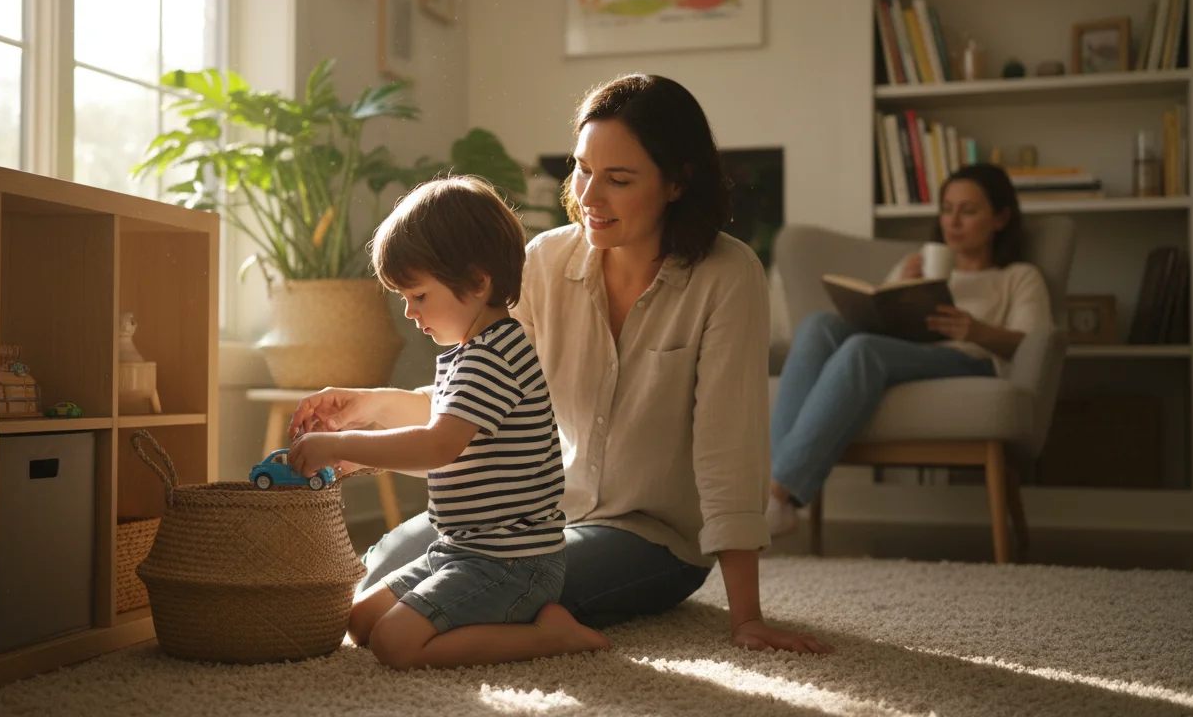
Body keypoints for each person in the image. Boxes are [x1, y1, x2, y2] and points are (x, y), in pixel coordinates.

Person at [292, 74, 832, 656]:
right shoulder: (546, 259)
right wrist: (367, 406)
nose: (591, 196)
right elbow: (482, 401)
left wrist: (746, 618)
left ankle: (552, 634)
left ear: (677, 182)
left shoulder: (728, 276)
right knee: (383, 573)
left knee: (495, 589)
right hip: (530, 519)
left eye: (619, 179)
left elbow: (730, 447)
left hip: (651, 537)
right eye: (582, 169)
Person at [286, 175, 611, 670]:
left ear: (478, 283)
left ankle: (550, 636)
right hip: (460, 549)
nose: (410, 313)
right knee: (359, 620)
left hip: (512, 564)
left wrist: (339, 445)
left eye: (418, 295)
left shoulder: (493, 357)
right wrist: (359, 456)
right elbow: (450, 464)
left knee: (396, 645)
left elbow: (438, 447)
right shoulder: (470, 354)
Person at [765, 163, 1052, 535]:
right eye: (947, 209)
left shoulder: (1018, 276)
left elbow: (1032, 344)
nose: (953, 221)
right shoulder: (914, 264)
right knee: (817, 325)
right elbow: (875, 319)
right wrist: (901, 286)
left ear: (999, 218)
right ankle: (773, 490)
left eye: (968, 210)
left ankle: (776, 494)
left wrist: (976, 330)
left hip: (967, 360)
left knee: (863, 350)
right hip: (903, 352)